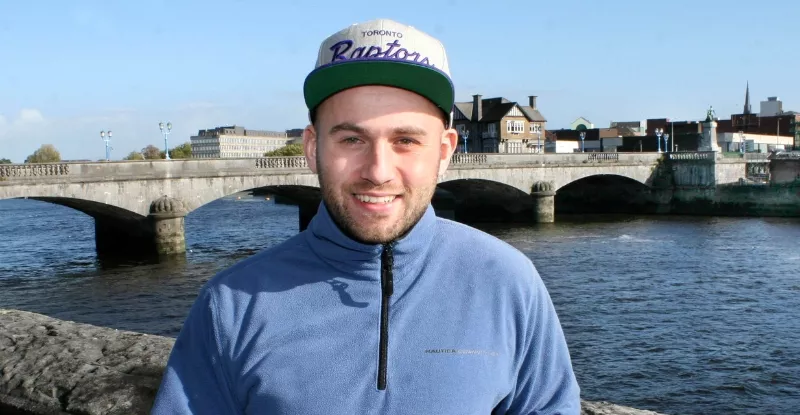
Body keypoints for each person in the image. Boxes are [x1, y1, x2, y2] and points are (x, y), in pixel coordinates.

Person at [152, 18, 580, 414]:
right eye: (352, 139)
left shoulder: (507, 282)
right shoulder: (232, 303)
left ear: (446, 151)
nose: (377, 171)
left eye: (406, 140)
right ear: (312, 147)